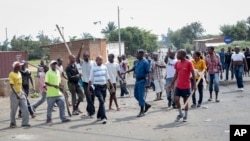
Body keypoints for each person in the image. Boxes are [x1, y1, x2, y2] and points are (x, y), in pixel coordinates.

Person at [168, 49, 196, 122]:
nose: (177, 55)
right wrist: (172, 83)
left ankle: (186, 116)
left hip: (186, 86)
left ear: (183, 55)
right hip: (178, 86)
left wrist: (195, 85)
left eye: (178, 54)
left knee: (185, 101)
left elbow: (193, 73)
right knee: (176, 100)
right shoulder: (177, 63)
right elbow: (176, 74)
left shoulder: (189, 63)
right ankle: (180, 114)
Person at [123, 49, 152, 117]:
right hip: (137, 80)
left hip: (142, 81)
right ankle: (146, 105)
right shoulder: (137, 61)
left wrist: (149, 83)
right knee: (136, 95)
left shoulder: (145, 62)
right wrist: (127, 71)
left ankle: (142, 111)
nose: (136, 55)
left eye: (137, 54)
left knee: (141, 96)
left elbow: (149, 72)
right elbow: (134, 68)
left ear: (141, 54)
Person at [88, 56, 115, 124]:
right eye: (99, 60)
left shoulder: (104, 67)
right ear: (96, 61)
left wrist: (111, 86)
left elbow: (107, 77)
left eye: (101, 60)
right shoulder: (93, 68)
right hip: (97, 87)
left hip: (104, 87)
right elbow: (90, 79)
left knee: (102, 102)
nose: (100, 61)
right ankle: (104, 117)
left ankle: (98, 115)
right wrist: (88, 88)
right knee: (101, 100)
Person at [9, 61, 30, 128]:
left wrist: (23, 92)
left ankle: (25, 122)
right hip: (14, 94)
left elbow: (20, 85)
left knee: (25, 108)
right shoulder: (11, 74)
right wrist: (16, 94)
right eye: (20, 66)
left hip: (21, 93)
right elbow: (12, 86)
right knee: (14, 109)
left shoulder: (19, 73)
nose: (21, 66)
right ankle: (13, 123)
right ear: (16, 67)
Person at [77, 45, 96, 117]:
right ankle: (92, 112)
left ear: (89, 56)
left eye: (87, 56)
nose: (85, 57)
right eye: (84, 56)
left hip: (92, 83)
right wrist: (80, 49)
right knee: (88, 98)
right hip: (85, 83)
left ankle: (88, 110)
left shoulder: (93, 62)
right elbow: (77, 58)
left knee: (93, 97)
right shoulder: (82, 62)